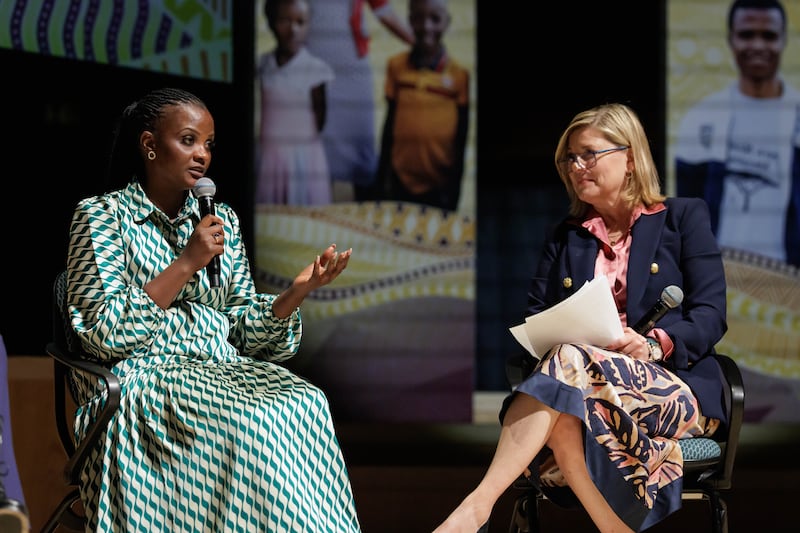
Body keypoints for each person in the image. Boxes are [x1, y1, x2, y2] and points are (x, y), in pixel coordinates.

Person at [65, 87, 360, 532]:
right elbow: (104, 333)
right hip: (141, 375)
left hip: (219, 367)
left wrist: (296, 292)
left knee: (306, 401)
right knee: (253, 417)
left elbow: (244, 332)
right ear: (149, 145)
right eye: (188, 140)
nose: (202, 155)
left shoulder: (220, 221)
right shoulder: (102, 216)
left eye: (208, 144)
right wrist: (186, 263)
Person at [434, 103, 729, 533]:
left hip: (671, 390)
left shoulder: (682, 218)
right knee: (567, 404)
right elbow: (537, 317)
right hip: (583, 388)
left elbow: (711, 314)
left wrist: (652, 344)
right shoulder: (566, 236)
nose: (577, 166)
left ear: (629, 158)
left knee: (566, 372)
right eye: (570, 158)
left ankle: (477, 507)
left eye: (588, 154)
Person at [674, 0, 800, 267]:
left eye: (768, 36)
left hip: (787, 285)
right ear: (731, 39)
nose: (757, 45)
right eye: (746, 35)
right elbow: (686, 215)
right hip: (720, 275)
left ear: (783, 41)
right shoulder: (701, 117)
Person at [305, 0, 414, 202]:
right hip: (313, 59)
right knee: (318, 142)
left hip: (352, 62)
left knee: (361, 140)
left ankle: (366, 218)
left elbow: (383, 10)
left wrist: (417, 41)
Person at [375, 0, 470, 211]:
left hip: (439, 187)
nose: (426, 26)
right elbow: (389, 127)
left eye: (435, 19)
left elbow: (461, 141)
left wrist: (453, 193)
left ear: (446, 23)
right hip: (399, 182)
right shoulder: (396, 67)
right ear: (410, 21)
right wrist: (381, 183)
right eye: (418, 18)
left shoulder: (459, 77)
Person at [256, 0, 335, 206]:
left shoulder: (315, 70)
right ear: (271, 23)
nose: (293, 29)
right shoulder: (263, 65)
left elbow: (320, 119)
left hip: (303, 159)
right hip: (271, 158)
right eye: (285, 21)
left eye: (301, 22)